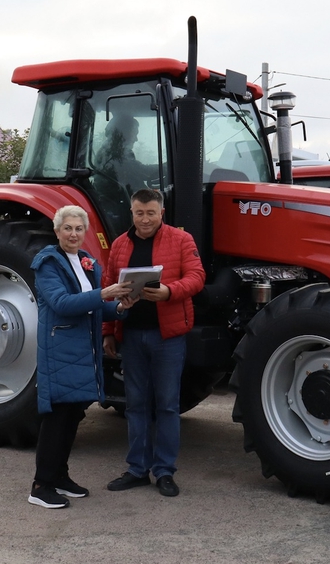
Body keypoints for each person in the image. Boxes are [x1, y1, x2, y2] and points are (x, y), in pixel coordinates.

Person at [102, 188, 206, 497]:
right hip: (132, 335)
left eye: (150, 213)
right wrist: (108, 329)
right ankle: (136, 469)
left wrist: (169, 292)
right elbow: (108, 287)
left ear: (161, 213)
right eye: (138, 213)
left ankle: (164, 471)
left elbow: (197, 277)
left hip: (168, 336)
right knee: (135, 405)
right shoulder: (120, 245)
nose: (144, 219)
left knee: (167, 406)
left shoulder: (181, 240)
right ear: (131, 213)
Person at [29, 205, 133, 509]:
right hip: (60, 349)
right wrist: (104, 295)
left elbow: (95, 307)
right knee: (57, 418)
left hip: (82, 351)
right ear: (57, 231)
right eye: (67, 228)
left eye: (78, 229)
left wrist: (120, 308)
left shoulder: (87, 263)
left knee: (73, 414)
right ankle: (40, 485)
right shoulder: (48, 263)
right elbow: (62, 303)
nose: (73, 234)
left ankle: (60, 476)